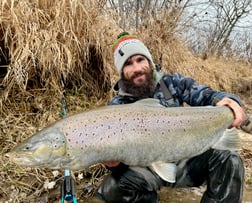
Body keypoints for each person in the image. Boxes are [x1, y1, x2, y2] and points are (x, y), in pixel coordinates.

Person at [96, 32, 246, 203]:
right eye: (128, 64)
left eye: (140, 60)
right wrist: (114, 163)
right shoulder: (116, 107)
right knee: (111, 188)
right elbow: (118, 161)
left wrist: (231, 102)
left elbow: (209, 96)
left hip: (187, 161)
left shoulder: (172, 83)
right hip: (148, 170)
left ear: (149, 61)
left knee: (230, 160)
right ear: (121, 72)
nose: (137, 68)